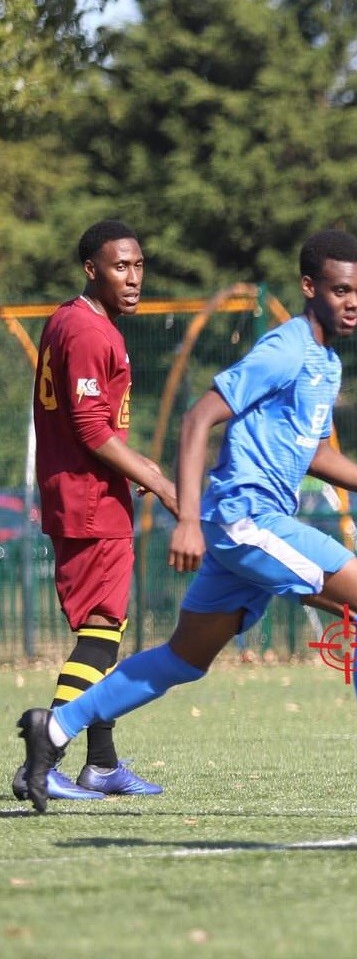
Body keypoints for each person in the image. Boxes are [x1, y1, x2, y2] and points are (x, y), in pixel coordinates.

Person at [16, 229, 357, 813]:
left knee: (182, 659)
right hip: (247, 519)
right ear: (309, 287)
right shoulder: (285, 349)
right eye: (340, 289)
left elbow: (317, 455)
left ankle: (55, 731)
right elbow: (199, 418)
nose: (352, 301)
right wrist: (189, 518)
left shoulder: (324, 362)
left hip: (247, 527)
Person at [10, 220, 178, 804]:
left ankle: (101, 766)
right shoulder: (86, 330)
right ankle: (43, 759)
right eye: (120, 267)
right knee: (101, 637)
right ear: (91, 270)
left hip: (84, 497)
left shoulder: (70, 319)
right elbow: (89, 428)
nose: (133, 279)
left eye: (138, 266)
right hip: (89, 500)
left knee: (103, 630)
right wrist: (155, 476)